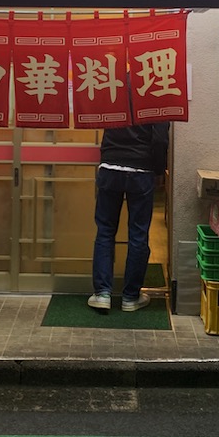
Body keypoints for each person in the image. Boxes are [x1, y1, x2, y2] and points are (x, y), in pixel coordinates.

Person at [88, 120, 170, 313]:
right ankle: (131, 297)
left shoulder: (110, 99)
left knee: (105, 231)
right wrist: (159, 170)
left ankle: (102, 294)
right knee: (138, 234)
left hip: (110, 166)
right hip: (141, 169)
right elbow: (160, 139)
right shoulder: (155, 102)